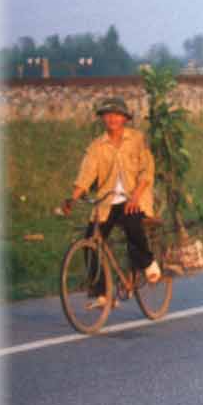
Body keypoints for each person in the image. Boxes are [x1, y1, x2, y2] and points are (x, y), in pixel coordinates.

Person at [59, 97, 159, 307]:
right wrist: (73, 199)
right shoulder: (97, 146)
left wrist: (135, 196)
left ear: (124, 118)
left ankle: (148, 262)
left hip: (136, 197)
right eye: (108, 115)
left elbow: (146, 170)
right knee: (90, 241)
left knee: (133, 224)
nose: (112, 118)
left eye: (117, 114)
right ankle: (102, 294)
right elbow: (86, 176)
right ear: (103, 118)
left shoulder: (137, 139)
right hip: (107, 202)